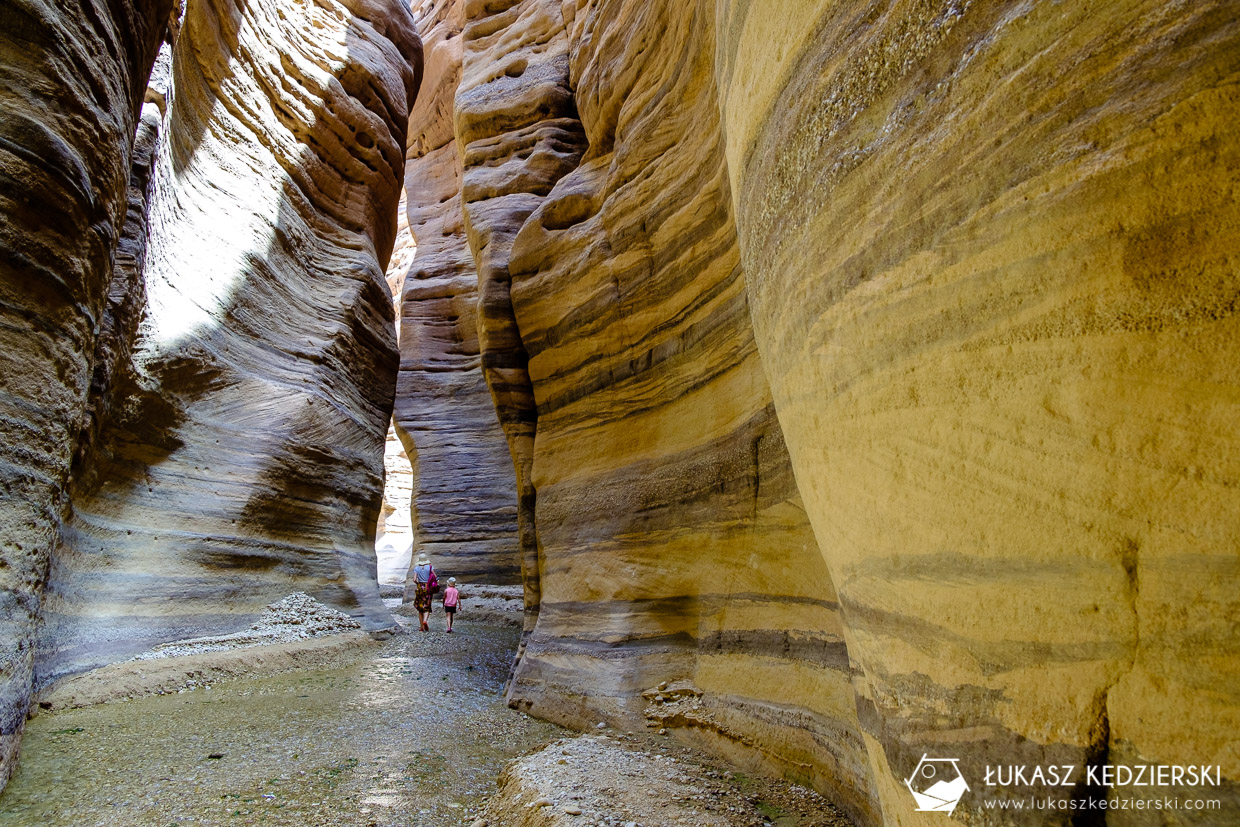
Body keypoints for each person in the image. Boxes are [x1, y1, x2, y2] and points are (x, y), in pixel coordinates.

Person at [410, 553, 437, 632]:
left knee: (420, 607)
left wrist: (418, 584)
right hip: (428, 588)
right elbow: (435, 577)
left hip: (420, 588)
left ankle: (421, 626)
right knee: (427, 606)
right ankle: (425, 621)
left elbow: (414, 579)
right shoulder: (430, 567)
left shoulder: (416, 568)